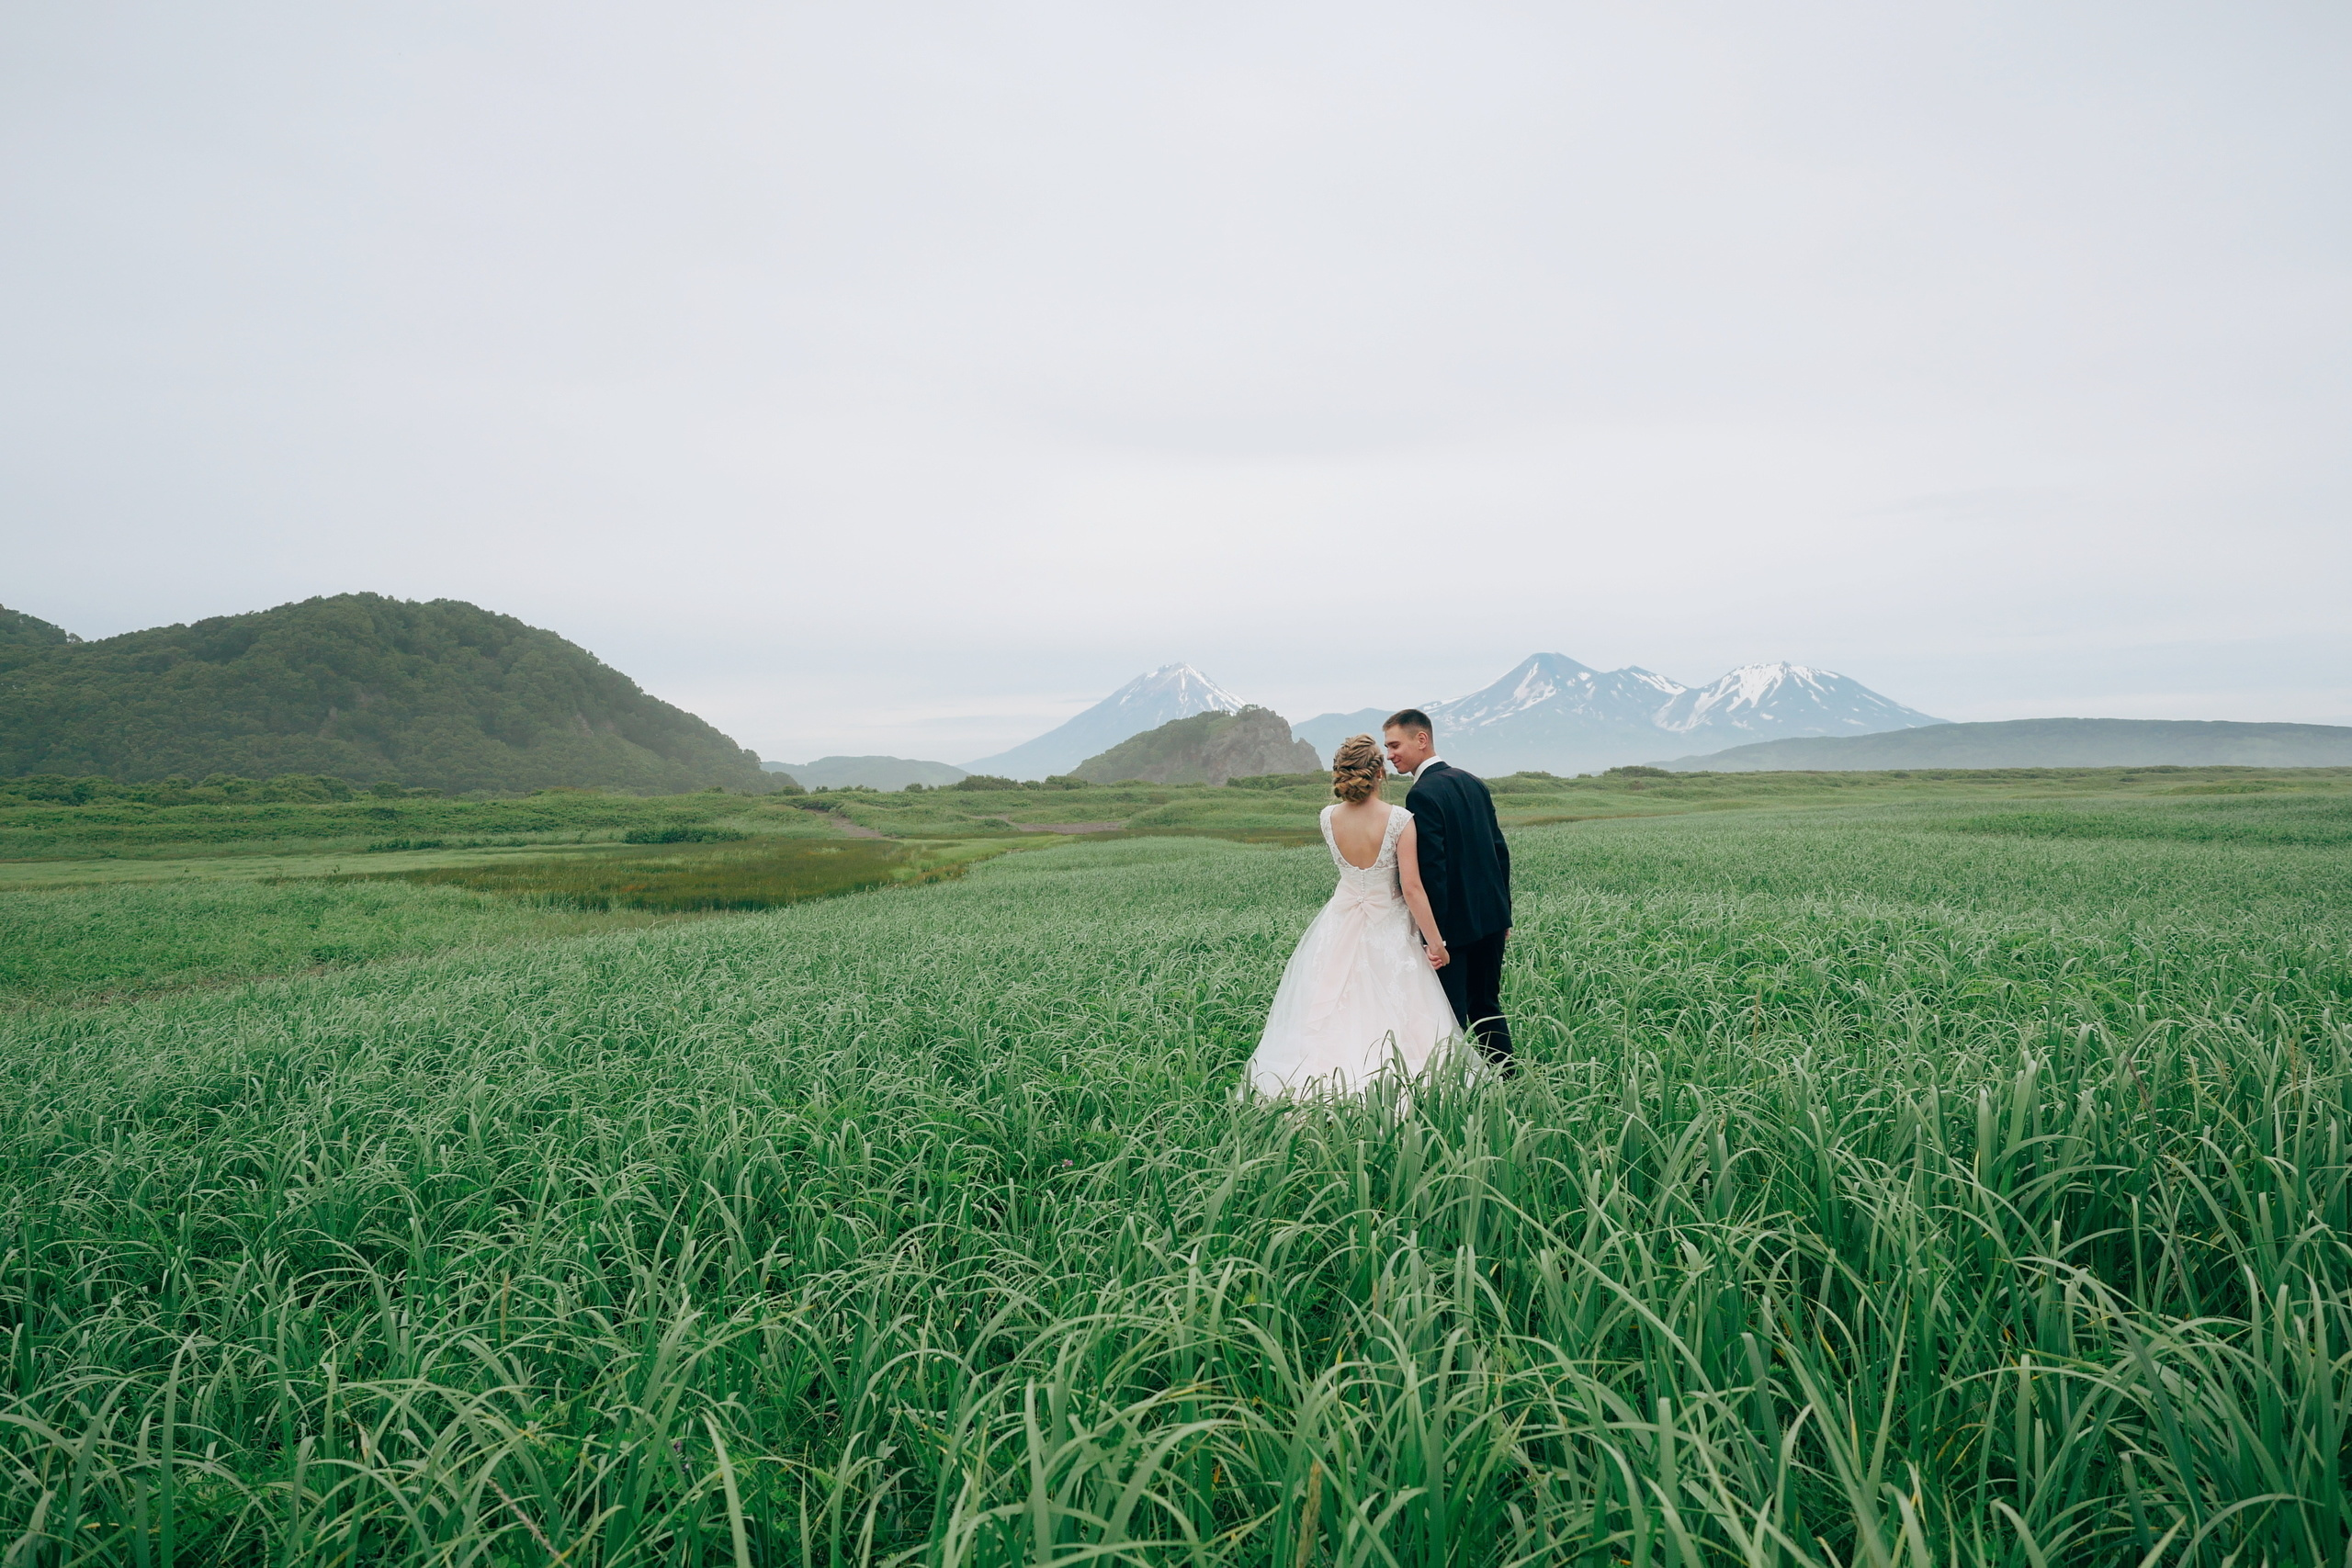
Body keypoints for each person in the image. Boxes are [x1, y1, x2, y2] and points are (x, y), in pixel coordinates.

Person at [1241, 734, 1464, 1098]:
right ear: (1379, 775)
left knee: (1334, 1004)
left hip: (1340, 921)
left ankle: (1323, 1083)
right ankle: (1398, 1084)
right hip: (1388, 924)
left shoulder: (1328, 817)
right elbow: (1412, 889)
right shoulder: (1400, 820)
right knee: (1397, 1008)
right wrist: (1436, 943)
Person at [1383, 708, 1513, 1071]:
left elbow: (1433, 872)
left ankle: (1453, 1092)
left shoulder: (1421, 795)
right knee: (1486, 1007)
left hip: (1453, 930)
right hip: (1491, 920)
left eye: (1395, 745)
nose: (1390, 754)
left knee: (1448, 1014)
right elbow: (1499, 851)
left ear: (1421, 739)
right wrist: (1505, 914)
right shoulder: (1473, 781)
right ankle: (1510, 1081)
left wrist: (1432, 937)